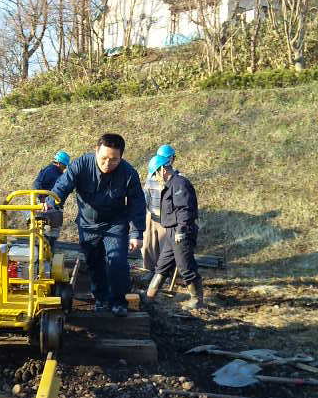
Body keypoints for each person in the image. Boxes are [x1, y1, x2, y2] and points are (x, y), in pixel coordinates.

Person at [46, 133, 145, 317]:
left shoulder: (128, 173)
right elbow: (62, 186)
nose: (108, 164)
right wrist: (51, 203)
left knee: (117, 261)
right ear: (96, 151)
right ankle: (101, 300)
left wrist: (137, 233)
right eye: (104, 158)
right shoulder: (81, 164)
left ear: (121, 157)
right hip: (88, 224)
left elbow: (137, 202)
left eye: (114, 160)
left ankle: (118, 302)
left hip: (115, 224)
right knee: (94, 263)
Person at [145, 155, 203, 309]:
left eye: (155, 174)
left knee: (185, 266)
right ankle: (149, 297)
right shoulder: (170, 184)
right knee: (162, 265)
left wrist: (181, 230)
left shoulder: (179, 183)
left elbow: (185, 209)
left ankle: (197, 299)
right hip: (171, 233)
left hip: (180, 233)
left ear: (162, 170)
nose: (155, 178)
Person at [141, 144, 176, 277]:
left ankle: (165, 275)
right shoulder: (151, 175)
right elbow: (146, 194)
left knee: (165, 249)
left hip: (166, 219)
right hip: (151, 216)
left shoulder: (175, 177)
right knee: (148, 246)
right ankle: (149, 271)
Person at [33, 151, 71, 250]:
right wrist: (42, 199)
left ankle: (46, 253)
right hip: (47, 206)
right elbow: (37, 184)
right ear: (59, 163)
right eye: (64, 166)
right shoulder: (51, 171)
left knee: (51, 234)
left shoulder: (55, 171)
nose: (65, 168)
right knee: (46, 234)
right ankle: (44, 253)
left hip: (53, 206)